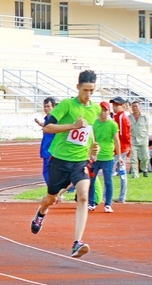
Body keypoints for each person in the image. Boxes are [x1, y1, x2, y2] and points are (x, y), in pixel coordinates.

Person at [30, 70, 102, 258]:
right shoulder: (66, 106)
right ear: (78, 87)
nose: (88, 94)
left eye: (92, 91)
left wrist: (94, 147)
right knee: (51, 198)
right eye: (85, 90)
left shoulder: (94, 109)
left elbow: (89, 131)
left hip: (80, 161)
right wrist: (72, 126)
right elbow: (48, 127)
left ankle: (77, 243)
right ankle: (41, 211)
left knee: (84, 196)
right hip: (60, 161)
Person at [89, 102, 122, 213]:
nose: (103, 112)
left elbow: (117, 141)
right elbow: (91, 139)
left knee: (108, 181)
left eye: (105, 110)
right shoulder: (94, 123)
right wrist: (91, 154)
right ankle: (91, 203)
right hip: (96, 158)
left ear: (109, 111)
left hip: (108, 157)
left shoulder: (113, 125)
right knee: (91, 180)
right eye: (101, 110)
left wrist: (119, 156)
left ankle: (108, 204)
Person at [109, 96, 130, 201]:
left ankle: (118, 196)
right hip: (119, 149)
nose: (114, 107)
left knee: (112, 172)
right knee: (121, 173)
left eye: (116, 105)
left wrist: (123, 149)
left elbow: (124, 135)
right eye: (114, 105)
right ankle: (121, 197)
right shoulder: (117, 116)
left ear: (122, 105)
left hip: (119, 150)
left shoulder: (121, 117)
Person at [34, 97, 57, 185]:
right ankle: (53, 192)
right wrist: (41, 124)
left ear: (53, 107)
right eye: (45, 106)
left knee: (49, 172)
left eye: (48, 106)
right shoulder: (47, 119)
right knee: (46, 172)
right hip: (45, 149)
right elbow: (47, 127)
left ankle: (56, 192)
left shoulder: (56, 119)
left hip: (51, 149)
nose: (46, 109)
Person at [128, 101, 150, 178]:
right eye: (133, 106)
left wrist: (147, 138)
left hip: (143, 139)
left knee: (145, 157)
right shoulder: (129, 117)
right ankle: (135, 175)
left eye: (136, 106)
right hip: (133, 140)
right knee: (133, 159)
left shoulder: (145, 117)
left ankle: (144, 169)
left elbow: (148, 128)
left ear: (139, 107)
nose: (134, 108)